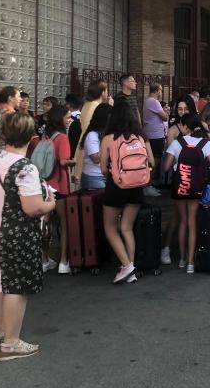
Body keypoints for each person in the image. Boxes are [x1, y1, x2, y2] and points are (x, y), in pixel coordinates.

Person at [0, 112, 56, 361]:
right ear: (32, 137)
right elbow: (32, 208)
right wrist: (51, 203)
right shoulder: (25, 167)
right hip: (14, 233)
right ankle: (10, 344)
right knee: (16, 288)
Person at [99, 101, 155, 284]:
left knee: (110, 228)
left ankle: (126, 266)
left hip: (116, 187)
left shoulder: (108, 138)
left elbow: (103, 169)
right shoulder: (141, 137)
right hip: (138, 186)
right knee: (127, 227)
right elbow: (152, 162)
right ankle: (130, 266)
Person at [163, 113, 210, 274]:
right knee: (192, 223)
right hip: (196, 188)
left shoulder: (177, 143)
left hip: (180, 187)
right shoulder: (205, 143)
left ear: (186, 127)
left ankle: (181, 258)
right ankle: (191, 263)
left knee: (183, 222)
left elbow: (166, 167)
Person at [30, 105, 73, 274]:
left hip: (45, 185)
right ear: (60, 118)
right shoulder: (62, 138)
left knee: (45, 225)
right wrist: (73, 162)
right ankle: (64, 262)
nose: (70, 120)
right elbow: (63, 161)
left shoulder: (45, 136)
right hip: (60, 185)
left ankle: (44, 259)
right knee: (64, 224)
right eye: (67, 117)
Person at [160, 94, 196, 265]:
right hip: (179, 176)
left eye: (186, 109)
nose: (182, 112)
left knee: (191, 216)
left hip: (197, 175)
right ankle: (167, 247)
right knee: (178, 215)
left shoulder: (197, 125)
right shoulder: (173, 130)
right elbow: (170, 155)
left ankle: (189, 250)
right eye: (179, 109)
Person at [74, 79, 110, 186]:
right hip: (92, 144)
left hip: (85, 143)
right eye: (106, 90)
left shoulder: (87, 104)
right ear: (102, 92)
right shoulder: (95, 106)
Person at [79, 103, 112, 190]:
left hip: (105, 176)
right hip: (93, 177)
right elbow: (95, 158)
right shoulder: (92, 135)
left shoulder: (107, 134)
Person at [143, 85, 168, 195]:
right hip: (156, 136)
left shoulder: (147, 101)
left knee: (151, 161)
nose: (161, 93)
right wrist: (165, 111)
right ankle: (147, 186)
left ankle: (147, 184)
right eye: (161, 91)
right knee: (154, 161)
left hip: (150, 134)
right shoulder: (154, 101)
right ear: (158, 91)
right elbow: (165, 117)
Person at [0, 86, 21, 156]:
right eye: (18, 96)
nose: (20, 99)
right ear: (10, 98)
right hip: (7, 153)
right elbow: (14, 136)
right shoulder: (10, 115)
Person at [65, 93, 83, 158]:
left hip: (69, 149)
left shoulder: (66, 118)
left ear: (68, 105)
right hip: (81, 150)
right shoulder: (84, 117)